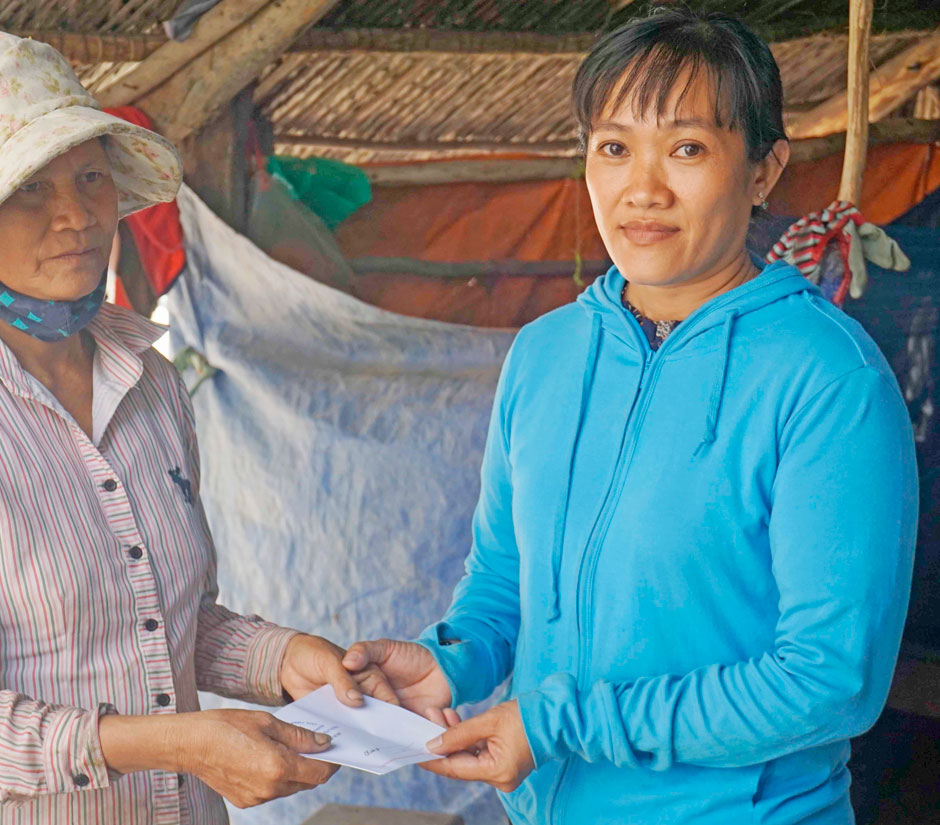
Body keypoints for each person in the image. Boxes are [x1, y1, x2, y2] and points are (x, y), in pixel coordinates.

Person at [344, 9, 918, 824]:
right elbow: (506, 577)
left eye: (687, 148)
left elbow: (830, 681)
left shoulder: (826, 379)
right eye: (614, 147)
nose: (642, 188)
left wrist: (561, 720)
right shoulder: (545, 353)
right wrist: (453, 662)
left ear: (763, 170)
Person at [0, 32, 393, 823]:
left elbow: (170, 626)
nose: (75, 214)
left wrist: (284, 657)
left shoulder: (151, 385)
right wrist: (172, 742)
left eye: (89, 176)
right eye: (28, 187)